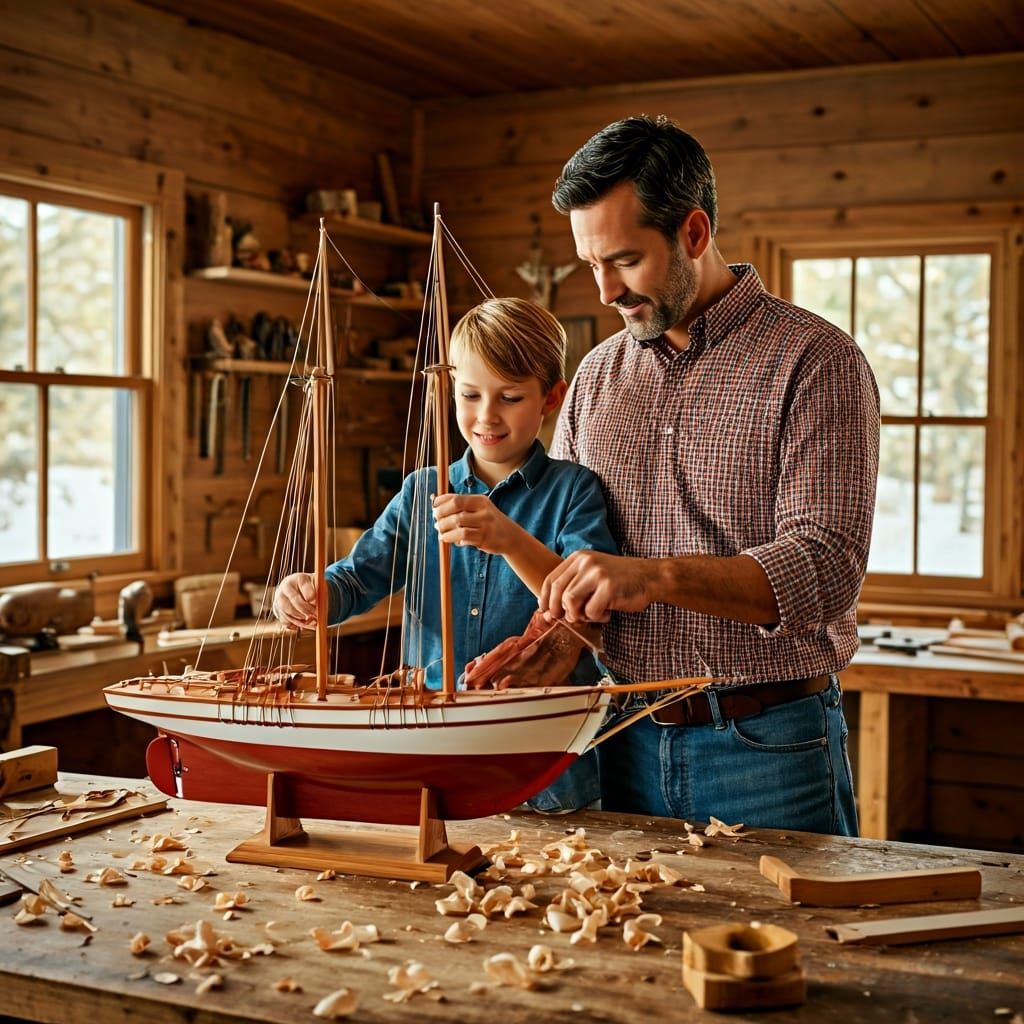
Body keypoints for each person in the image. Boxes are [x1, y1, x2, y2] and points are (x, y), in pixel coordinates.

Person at [538, 115, 880, 836]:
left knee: (802, 950)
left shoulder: (816, 360)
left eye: (625, 260)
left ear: (694, 233)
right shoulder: (596, 376)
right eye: (590, 264)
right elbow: (578, 555)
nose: (604, 290)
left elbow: (825, 568)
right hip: (619, 737)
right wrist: (553, 639)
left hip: (769, 746)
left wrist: (654, 576)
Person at [273, 296, 617, 812]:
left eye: (510, 397)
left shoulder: (576, 491)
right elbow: (358, 579)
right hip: (429, 752)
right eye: (471, 395)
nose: (486, 416)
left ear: (551, 399)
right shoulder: (420, 492)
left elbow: (586, 604)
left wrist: (510, 540)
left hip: (542, 764)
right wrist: (313, 593)